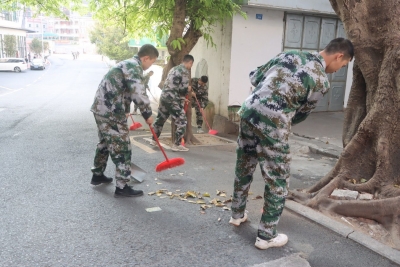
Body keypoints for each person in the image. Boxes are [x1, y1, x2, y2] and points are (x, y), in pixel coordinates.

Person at [229, 38, 354, 249]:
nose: (339, 69)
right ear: (339, 55)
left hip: (248, 112)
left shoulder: (289, 54)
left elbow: (254, 76)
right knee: (278, 180)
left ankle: (236, 214)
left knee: (244, 166)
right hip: (274, 123)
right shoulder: (321, 81)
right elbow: (301, 115)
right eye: (343, 65)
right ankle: (266, 236)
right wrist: (280, 119)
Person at [90, 44, 159, 197]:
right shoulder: (134, 67)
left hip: (101, 108)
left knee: (105, 143)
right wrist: (147, 113)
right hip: (111, 111)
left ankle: (97, 174)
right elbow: (138, 92)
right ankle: (122, 187)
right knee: (122, 147)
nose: (150, 66)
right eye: (151, 62)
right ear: (145, 58)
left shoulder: (126, 64)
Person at [151, 55, 194, 152]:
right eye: (191, 65)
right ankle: (177, 144)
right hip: (172, 98)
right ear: (190, 62)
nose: (190, 67)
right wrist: (188, 89)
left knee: (160, 119)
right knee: (182, 120)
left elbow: (173, 85)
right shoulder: (184, 71)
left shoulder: (173, 69)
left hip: (164, 97)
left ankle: (154, 139)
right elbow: (182, 89)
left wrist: (182, 99)